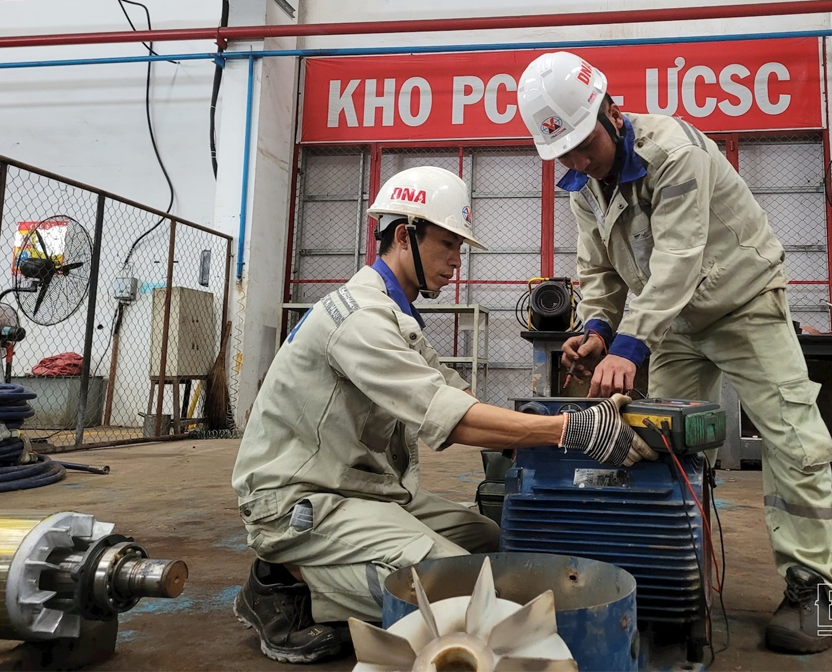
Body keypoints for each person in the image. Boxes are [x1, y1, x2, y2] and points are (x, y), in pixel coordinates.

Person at [231, 165, 656, 664]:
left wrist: (539, 423)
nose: (457, 260)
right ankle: (283, 582)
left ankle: (328, 577)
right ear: (404, 236)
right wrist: (569, 430)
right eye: (448, 244)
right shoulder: (361, 320)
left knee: (494, 542)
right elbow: (450, 418)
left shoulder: (397, 314)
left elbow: (455, 392)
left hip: (360, 488)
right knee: (462, 594)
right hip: (300, 500)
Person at [516, 52, 832, 654]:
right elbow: (600, 272)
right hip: (671, 323)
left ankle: (815, 586)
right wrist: (597, 329)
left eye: (584, 146)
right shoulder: (583, 186)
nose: (578, 162)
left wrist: (629, 346)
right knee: (661, 444)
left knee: (794, 439)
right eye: (563, 154)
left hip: (743, 303)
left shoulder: (674, 153)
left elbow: (678, 259)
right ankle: (672, 573)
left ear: (612, 113)